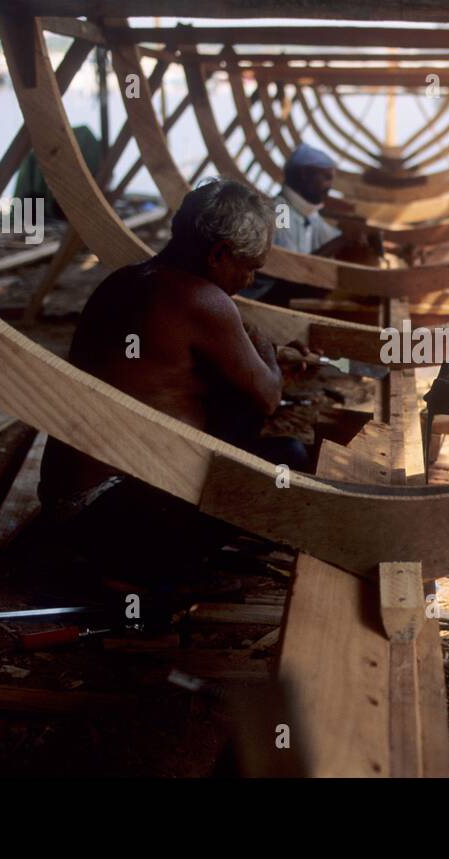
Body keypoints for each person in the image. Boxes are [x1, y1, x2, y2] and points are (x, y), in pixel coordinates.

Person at [38, 179, 310, 556]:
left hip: (66, 502)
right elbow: (267, 397)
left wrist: (263, 358)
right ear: (218, 254)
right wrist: (263, 344)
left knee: (234, 412)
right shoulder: (203, 299)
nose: (248, 282)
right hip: (107, 517)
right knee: (288, 459)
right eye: (249, 269)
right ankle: (141, 573)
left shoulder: (123, 280)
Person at [243, 143, 371, 304]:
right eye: (326, 177)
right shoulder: (280, 211)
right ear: (304, 175)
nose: (329, 187)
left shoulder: (309, 214)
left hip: (287, 296)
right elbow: (290, 272)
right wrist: (343, 240)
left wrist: (358, 238)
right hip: (267, 299)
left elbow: (331, 238)